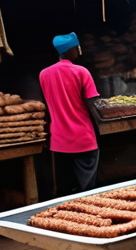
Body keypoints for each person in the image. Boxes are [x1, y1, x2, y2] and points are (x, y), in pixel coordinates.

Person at [40, 32, 100, 195]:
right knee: (87, 190)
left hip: (59, 141)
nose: (80, 50)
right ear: (71, 50)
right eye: (78, 47)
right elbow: (92, 103)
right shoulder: (81, 72)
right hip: (83, 139)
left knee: (64, 190)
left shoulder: (44, 74)